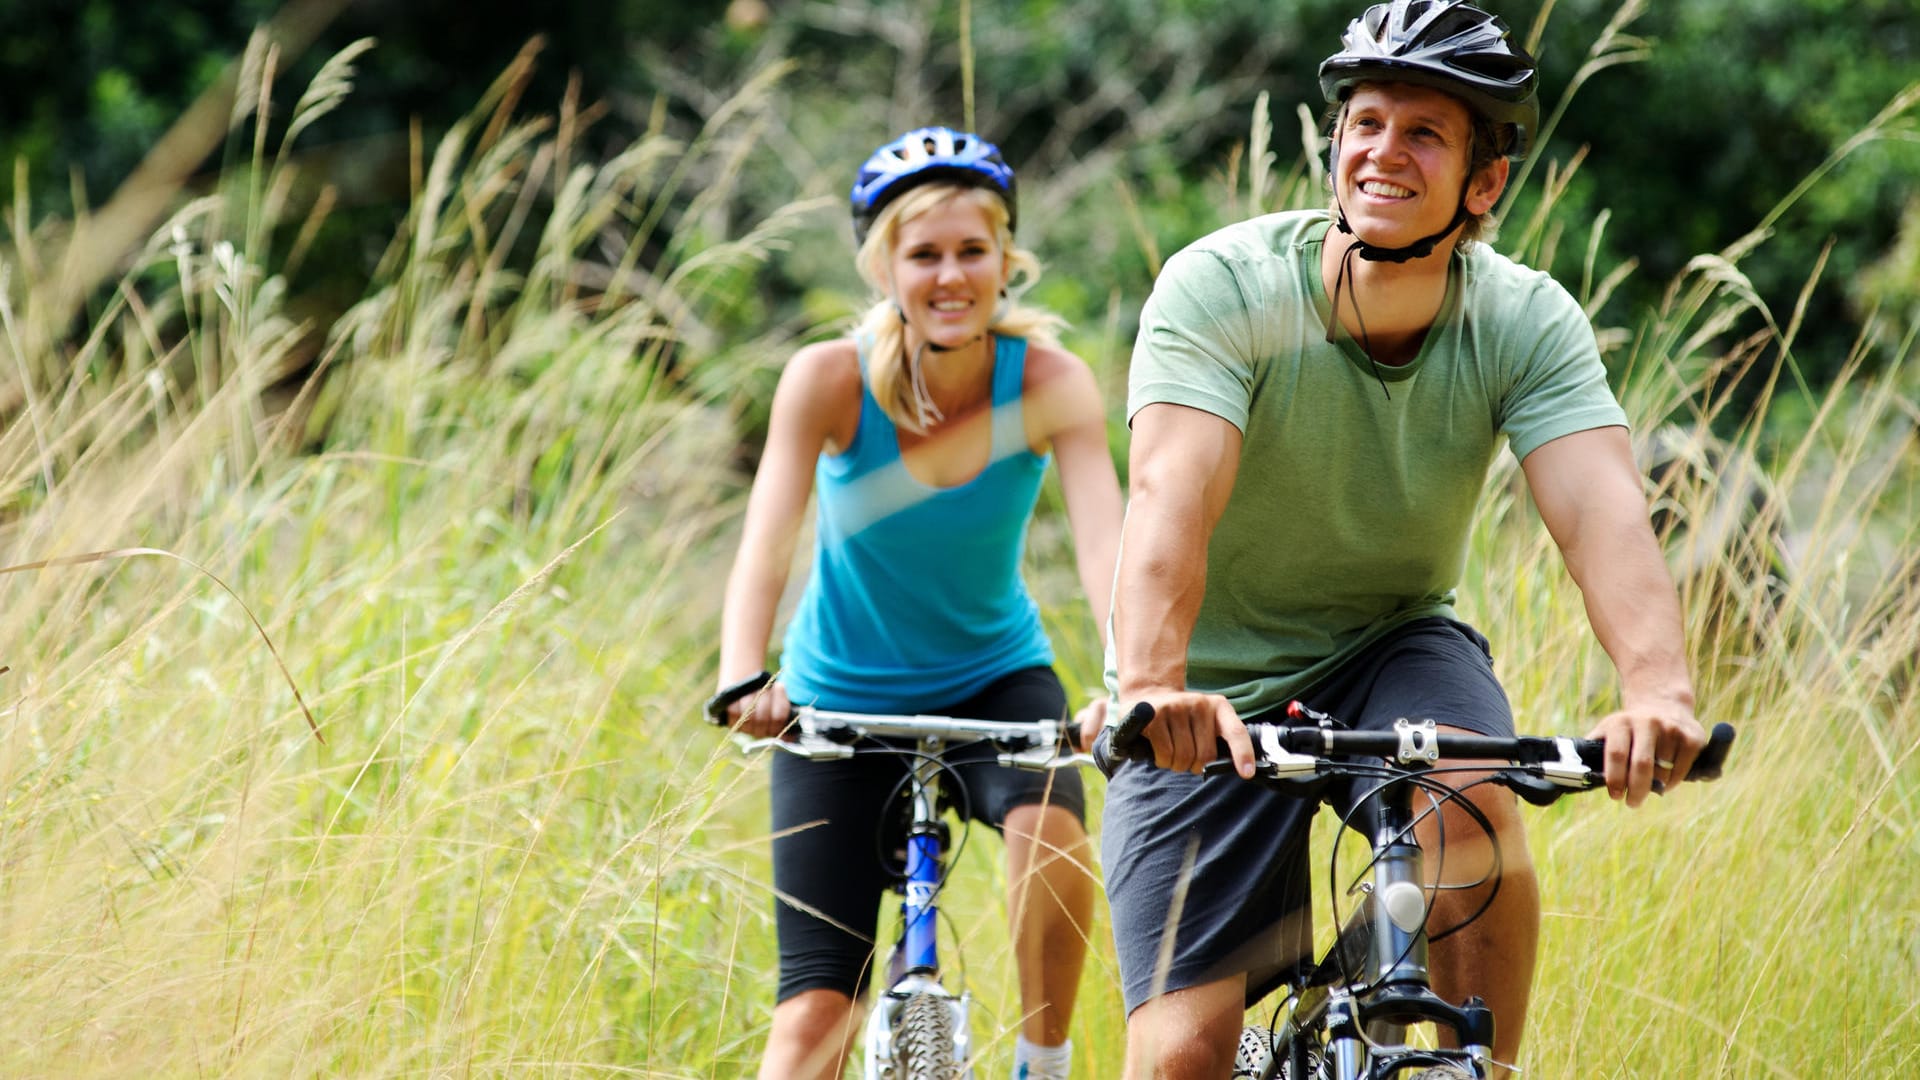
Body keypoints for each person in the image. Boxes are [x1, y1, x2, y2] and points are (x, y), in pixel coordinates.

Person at [1095, 2, 1709, 1077]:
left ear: (1485, 184)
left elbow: (1602, 508)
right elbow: (1169, 494)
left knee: (1474, 792)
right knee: (1181, 1054)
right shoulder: (1225, 287)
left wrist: (1659, 694)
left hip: (1393, 643)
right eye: (1365, 121)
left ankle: (1480, 1068)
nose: (1382, 150)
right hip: (1206, 688)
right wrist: (1153, 683)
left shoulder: (1524, 320)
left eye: (1424, 132)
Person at [714, 126, 1123, 1080]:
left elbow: (1111, 544)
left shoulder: (1052, 383)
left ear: (1006, 259)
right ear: (884, 266)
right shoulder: (827, 379)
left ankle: (1043, 1062)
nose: (950, 275)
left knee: (1053, 834)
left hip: (995, 681)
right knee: (814, 1019)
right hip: (836, 700)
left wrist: (1127, 682)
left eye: (972, 251)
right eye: (923, 253)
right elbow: (765, 543)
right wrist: (745, 674)